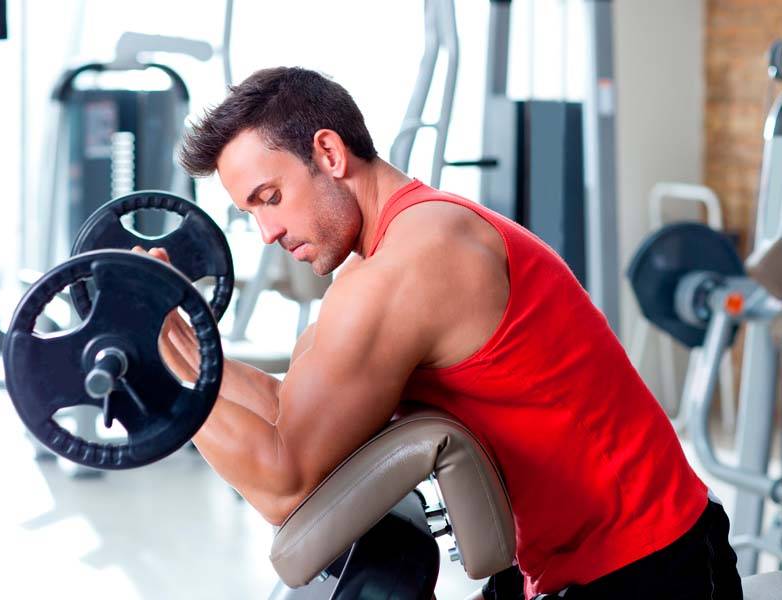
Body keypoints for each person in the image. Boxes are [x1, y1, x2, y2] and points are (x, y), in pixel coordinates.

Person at [146, 66, 741, 599]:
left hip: (652, 570)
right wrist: (175, 335)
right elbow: (287, 407)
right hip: (578, 562)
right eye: (251, 213)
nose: (267, 233)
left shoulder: (412, 265)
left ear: (328, 152)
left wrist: (157, 359)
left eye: (270, 198)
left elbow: (285, 486)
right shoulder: (395, 248)